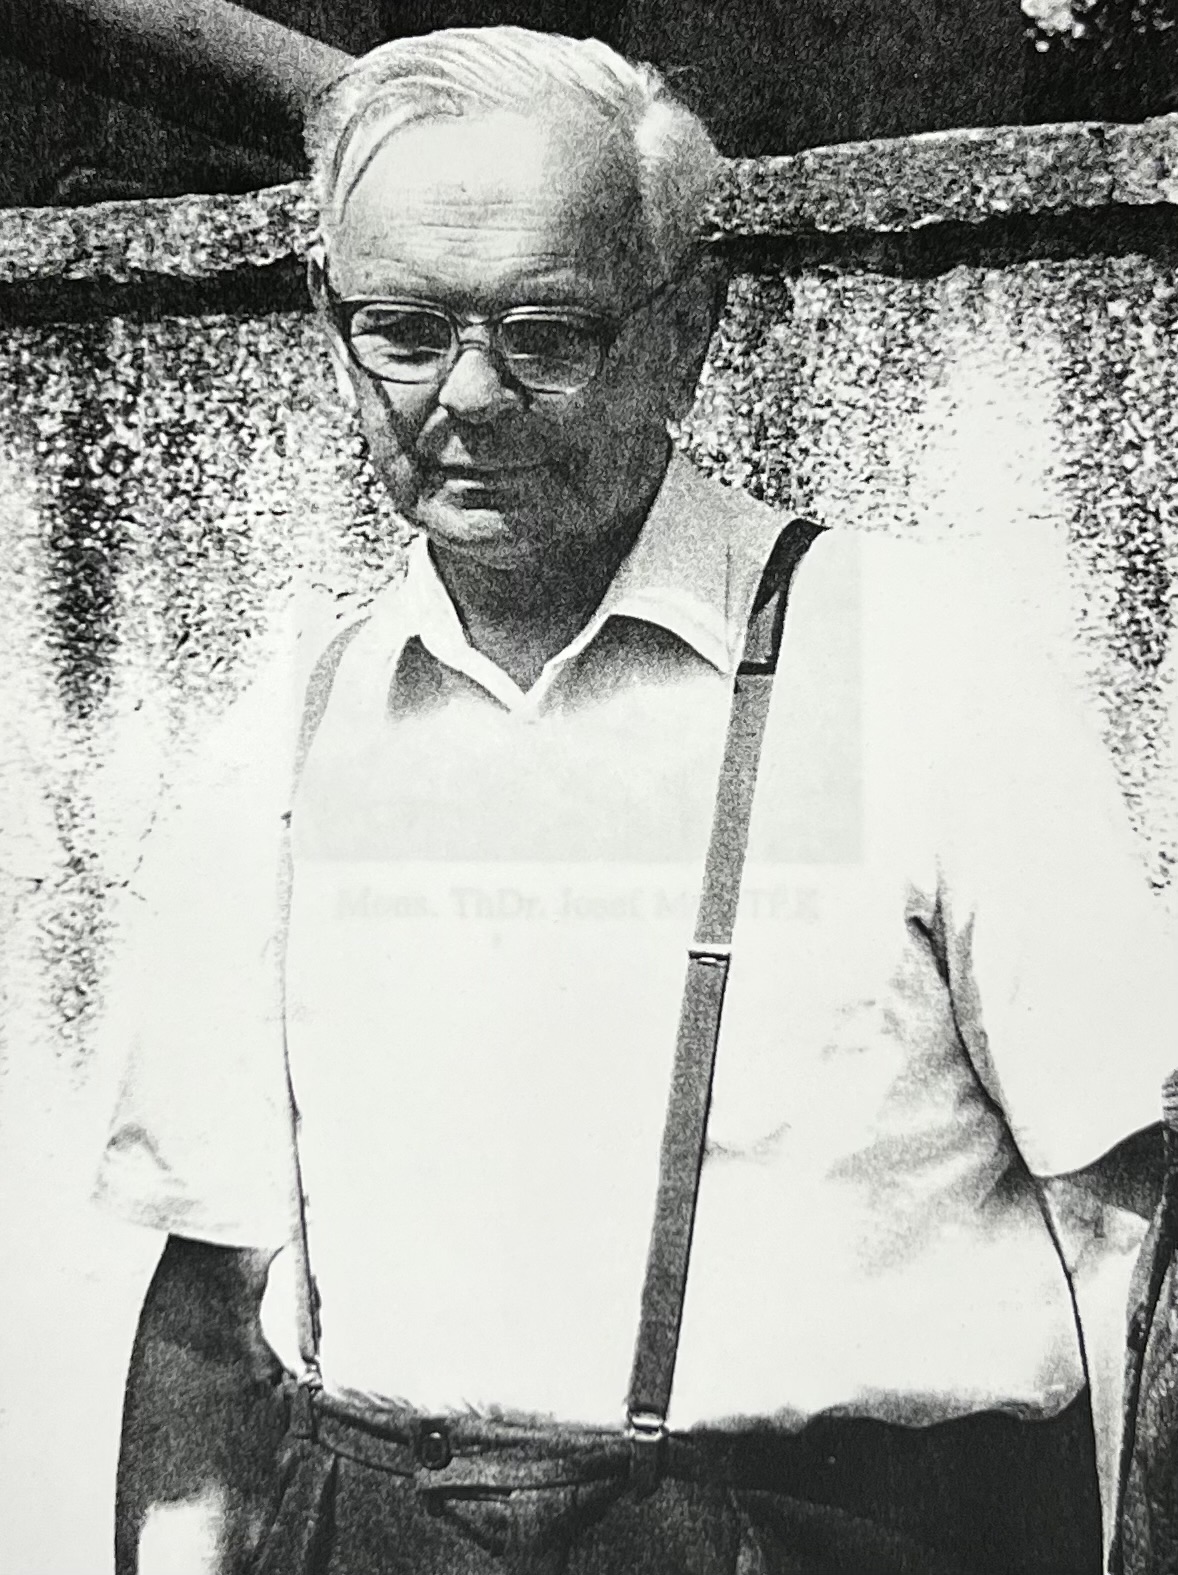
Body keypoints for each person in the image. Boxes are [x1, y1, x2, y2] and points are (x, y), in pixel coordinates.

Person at [98, 26, 1177, 1575]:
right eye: (401, 328)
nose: (468, 395)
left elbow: (1130, 1231)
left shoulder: (918, 668)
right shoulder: (282, 737)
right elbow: (210, 1306)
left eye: (548, 332)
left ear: (684, 334)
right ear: (329, 330)